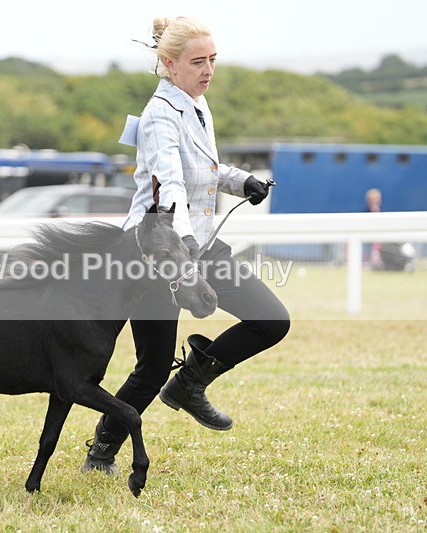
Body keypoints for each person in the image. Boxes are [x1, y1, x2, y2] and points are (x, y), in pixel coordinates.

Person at [82, 16, 291, 474]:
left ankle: (190, 383)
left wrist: (242, 181)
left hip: (198, 243)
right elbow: (171, 184)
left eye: (213, 60)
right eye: (198, 62)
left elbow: (204, 170)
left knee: (271, 320)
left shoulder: (198, 104)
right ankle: (101, 452)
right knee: (152, 366)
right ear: (168, 64)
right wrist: (186, 249)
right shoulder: (159, 116)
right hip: (158, 249)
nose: (208, 70)